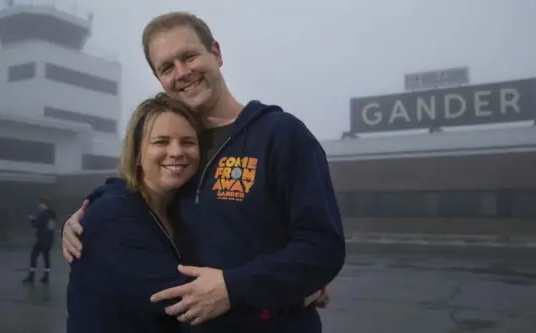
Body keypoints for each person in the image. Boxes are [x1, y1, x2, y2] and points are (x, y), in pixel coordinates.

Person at [63, 11, 345, 333]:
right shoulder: (182, 154)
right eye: (166, 67)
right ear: (160, 79)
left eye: (189, 56)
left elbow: (323, 248)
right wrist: (92, 207)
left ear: (216, 53)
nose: (182, 73)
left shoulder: (281, 136)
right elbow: (136, 191)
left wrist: (239, 287)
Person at [67, 93, 201, 333]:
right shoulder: (113, 216)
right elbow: (184, 300)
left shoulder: (177, 211)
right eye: (161, 142)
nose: (177, 152)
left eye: (188, 142)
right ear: (137, 153)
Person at [22, 198, 56, 284]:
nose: (39, 206)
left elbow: (37, 224)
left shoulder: (43, 214)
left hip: (42, 238)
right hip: (50, 238)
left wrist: (32, 219)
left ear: (44, 204)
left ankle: (31, 276)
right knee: (46, 257)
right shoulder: (52, 214)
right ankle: (46, 276)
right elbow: (50, 226)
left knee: (34, 255)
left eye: (40, 205)